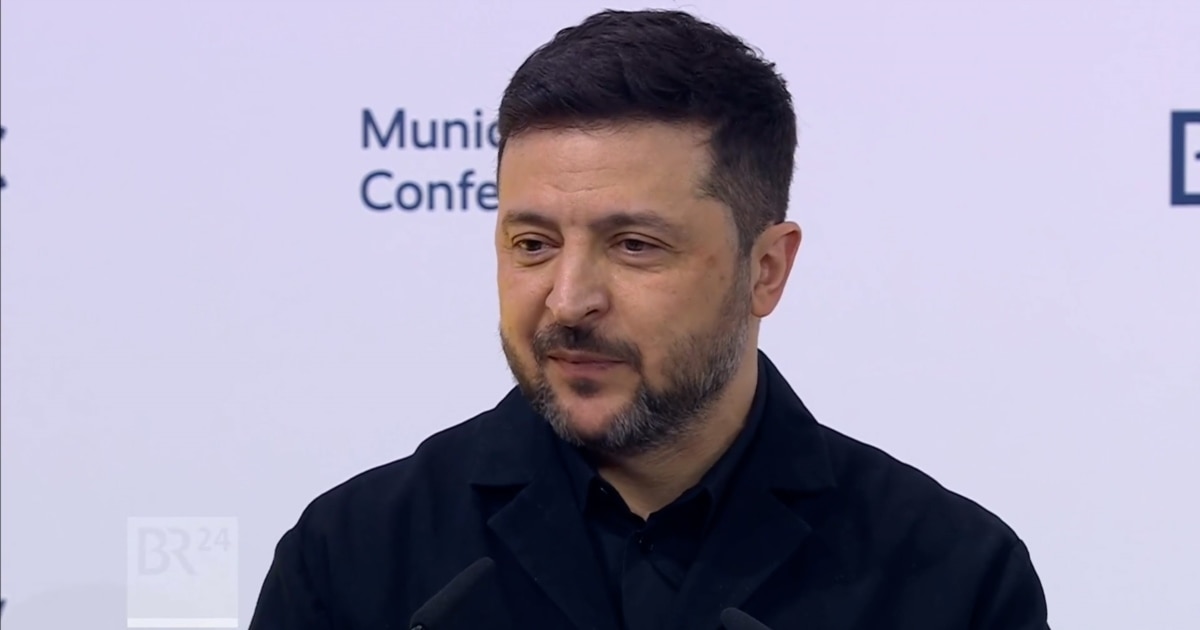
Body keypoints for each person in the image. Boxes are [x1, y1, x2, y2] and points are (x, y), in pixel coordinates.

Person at [249, 9, 1050, 629]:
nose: (568, 300)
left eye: (634, 246)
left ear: (766, 270)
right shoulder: (353, 557)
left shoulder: (952, 577)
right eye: (533, 244)